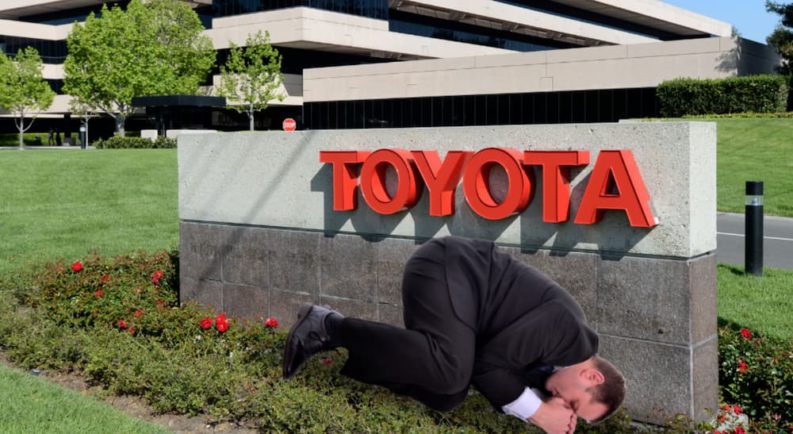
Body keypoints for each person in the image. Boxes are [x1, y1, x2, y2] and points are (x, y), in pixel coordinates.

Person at [283, 236, 625, 434]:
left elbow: (492, 371)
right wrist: (539, 413)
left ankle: (341, 341)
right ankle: (329, 326)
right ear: (591, 375)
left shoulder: (556, 362)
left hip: (459, 297)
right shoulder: (569, 333)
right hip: (448, 267)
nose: (562, 405)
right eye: (574, 403)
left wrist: (541, 406)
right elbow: (487, 367)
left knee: (447, 392)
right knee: (451, 370)